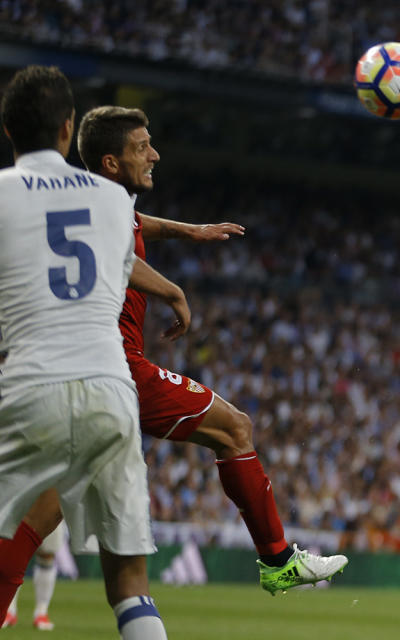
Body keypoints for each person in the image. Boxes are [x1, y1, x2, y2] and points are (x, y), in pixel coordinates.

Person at [0, 105, 347, 610]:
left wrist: (189, 230)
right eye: (142, 147)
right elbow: (121, 249)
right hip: (115, 365)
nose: (155, 154)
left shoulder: (88, 200)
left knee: (39, 514)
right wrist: (173, 290)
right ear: (111, 162)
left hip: (70, 368)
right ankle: (278, 562)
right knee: (234, 429)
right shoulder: (104, 209)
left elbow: (136, 224)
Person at [0, 65, 185, 639]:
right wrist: (176, 288)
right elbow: (125, 263)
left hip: (33, 385)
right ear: (68, 127)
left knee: (8, 544)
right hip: (111, 392)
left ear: (8, 131)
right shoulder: (110, 202)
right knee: (130, 583)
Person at [1, 522, 65, 630]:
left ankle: (41, 613)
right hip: (18, 506)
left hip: (49, 507)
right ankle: (8, 611)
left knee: (47, 553)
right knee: (13, 552)